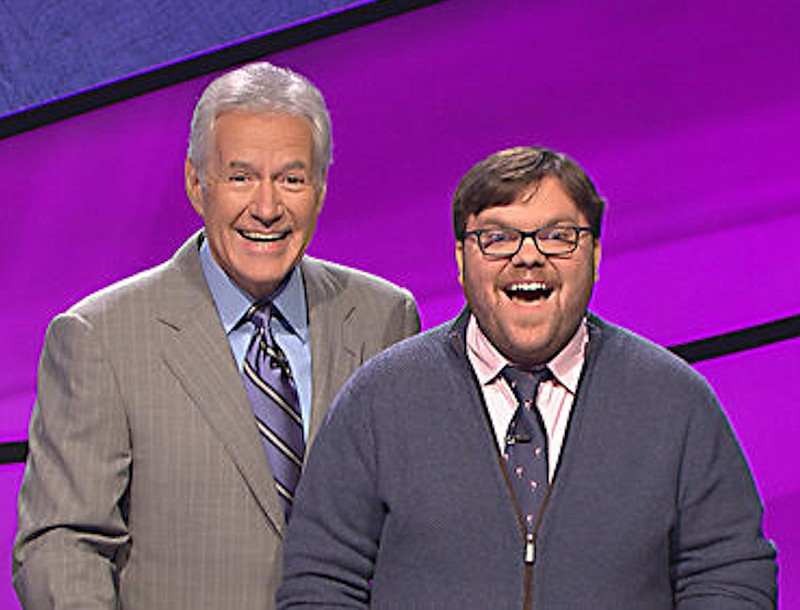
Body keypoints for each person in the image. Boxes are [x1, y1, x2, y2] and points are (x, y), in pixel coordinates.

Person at [277, 146, 777, 609]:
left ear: (596, 255)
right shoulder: (380, 399)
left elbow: (730, 573)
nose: (528, 256)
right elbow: (320, 580)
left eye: (559, 236)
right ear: (459, 259)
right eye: (497, 238)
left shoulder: (674, 400)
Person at [13, 61, 420, 609]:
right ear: (195, 183)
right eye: (241, 176)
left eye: (291, 179)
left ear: (321, 189)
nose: (268, 207)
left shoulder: (383, 317)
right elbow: (62, 544)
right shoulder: (99, 337)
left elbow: (411, 526)